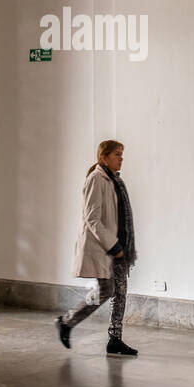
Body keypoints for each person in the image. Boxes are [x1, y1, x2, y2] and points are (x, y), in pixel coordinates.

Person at [56, 140, 138, 356]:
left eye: (122, 154)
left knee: (120, 292)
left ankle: (115, 338)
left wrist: (123, 244)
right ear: (104, 157)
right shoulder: (96, 179)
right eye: (117, 154)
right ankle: (66, 321)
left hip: (119, 246)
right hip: (106, 247)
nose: (121, 158)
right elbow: (92, 219)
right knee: (106, 291)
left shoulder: (115, 180)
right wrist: (113, 245)